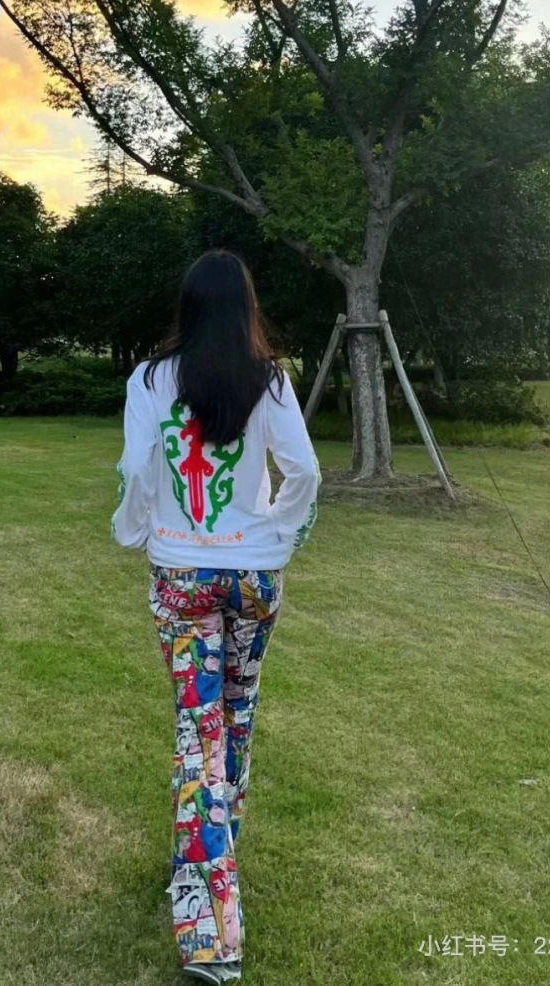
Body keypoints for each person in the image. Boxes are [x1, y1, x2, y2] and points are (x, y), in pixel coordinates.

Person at [110, 249, 322, 983]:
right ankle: (213, 859)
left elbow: (138, 469)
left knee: (197, 732)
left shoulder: (150, 379)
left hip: (182, 575)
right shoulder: (270, 380)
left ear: (188, 306)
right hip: (254, 578)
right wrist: (277, 535)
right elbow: (306, 472)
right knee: (236, 718)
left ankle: (210, 934)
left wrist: (142, 530)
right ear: (245, 308)